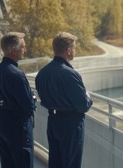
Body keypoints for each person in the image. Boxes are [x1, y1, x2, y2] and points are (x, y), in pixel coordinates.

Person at [35, 32, 92, 168]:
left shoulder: (42, 74)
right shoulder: (70, 74)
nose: (75, 51)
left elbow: (43, 98)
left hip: (53, 122)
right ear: (68, 50)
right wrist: (88, 97)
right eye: (74, 48)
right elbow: (83, 105)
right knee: (71, 164)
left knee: (55, 163)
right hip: (71, 125)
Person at [0, 32, 37, 168]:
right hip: (18, 126)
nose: (25, 50)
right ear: (14, 50)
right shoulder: (16, 74)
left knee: (7, 163)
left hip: (1, 122)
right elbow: (28, 105)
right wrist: (33, 97)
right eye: (23, 47)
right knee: (23, 162)